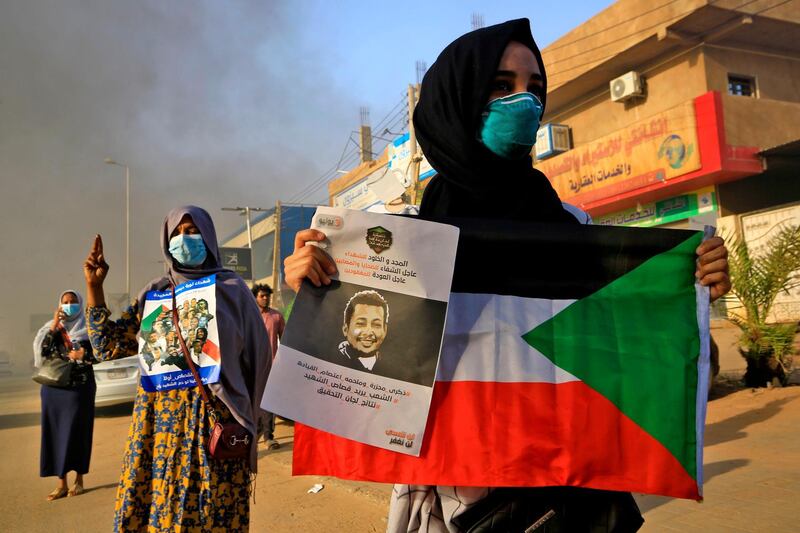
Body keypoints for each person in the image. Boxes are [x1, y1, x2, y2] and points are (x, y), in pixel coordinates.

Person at [285, 19, 731, 533]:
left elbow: (621, 347)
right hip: (449, 497)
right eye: (502, 86)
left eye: (534, 89)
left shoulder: (576, 228)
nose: (524, 103)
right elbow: (354, 383)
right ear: (456, 100)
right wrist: (318, 286)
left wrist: (691, 280)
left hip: (567, 491)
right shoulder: (400, 243)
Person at [83, 205, 269, 531]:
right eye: (177, 233)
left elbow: (259, 360)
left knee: (211, 514)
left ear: (209, 238)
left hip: (213, 426)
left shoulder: (232, 290)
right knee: (160, 513)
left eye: (192, 231)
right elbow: (106, 347)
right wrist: (94, 288)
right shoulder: (155, 294)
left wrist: (252, 422)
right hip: (159, 430)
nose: (185, 239)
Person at [33, 290, 96, 500]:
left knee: (79, 432)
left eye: (73, 301)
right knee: (55, 433)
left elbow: (103, 353)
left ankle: (79, 479)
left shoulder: (90, 328)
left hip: (80, 388)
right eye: (66, 302)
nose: (69, 305)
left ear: (80, 303)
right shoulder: (50, 329)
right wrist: (54, 325)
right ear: (59, 305)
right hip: (54, 388)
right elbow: (43, 352)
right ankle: (61, 483)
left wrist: (84, 354)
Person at [252, 283, 285, 450]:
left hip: (272, 365)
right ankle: (254, 433)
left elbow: (285, 341)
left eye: (267, 296)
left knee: (270, 402)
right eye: (262, 296)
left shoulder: (277, 317)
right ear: (255, 297)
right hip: (252, 366)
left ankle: (268, 436)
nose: (265, 298)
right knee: (254, 401)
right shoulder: (248, 316)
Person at [337, 290, 389, 373]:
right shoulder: (331, 358)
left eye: (376, 325)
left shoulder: (392, 369)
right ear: (345, 329)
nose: (368, 332)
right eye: (361, 324)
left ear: (385, 330)